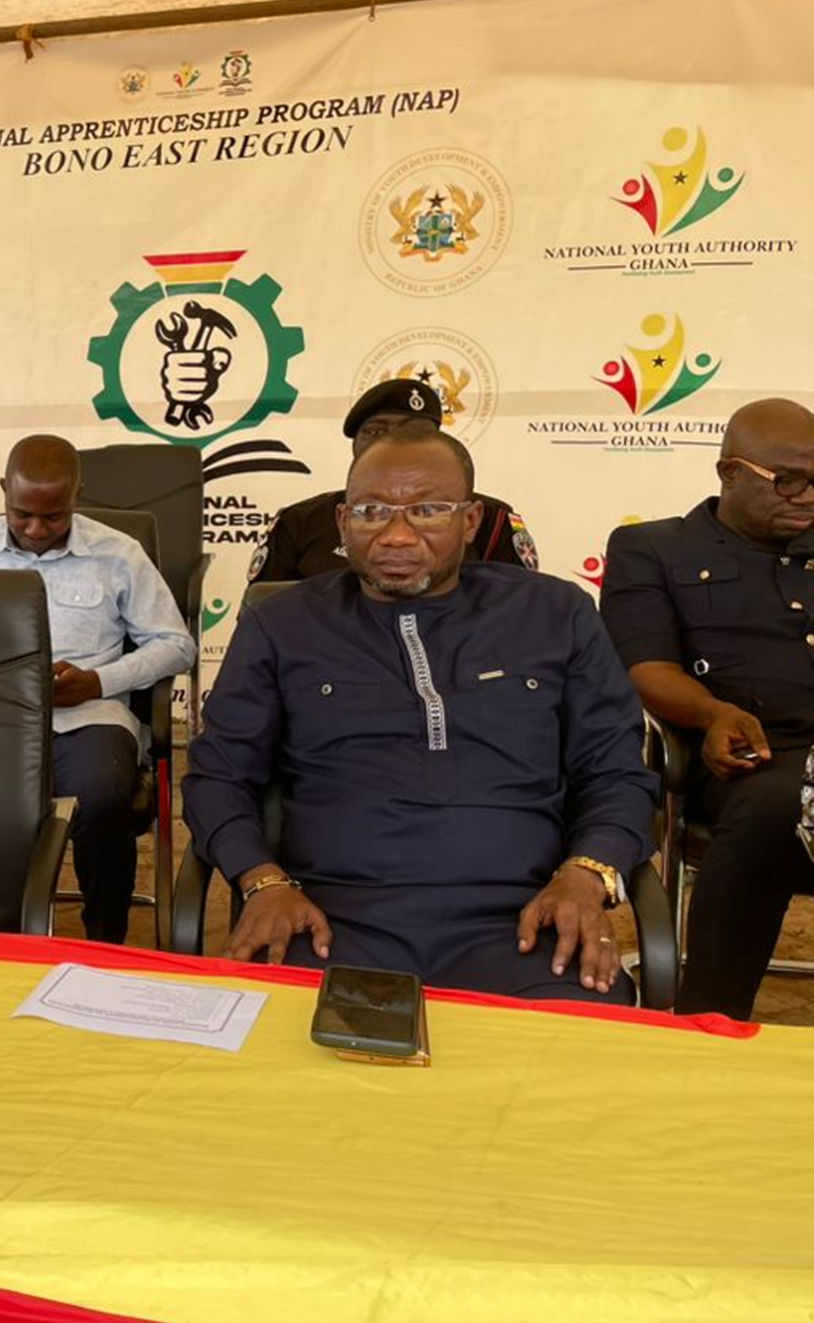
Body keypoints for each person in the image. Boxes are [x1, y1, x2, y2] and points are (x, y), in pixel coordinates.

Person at [185, 421, 654, 999]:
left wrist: (587, 873)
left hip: (525, 922)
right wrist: (263, 882)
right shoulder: (282, 624)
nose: (397, 536)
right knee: (275, 1041)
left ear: (471, 520)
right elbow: (219, 775)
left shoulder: (555, 614)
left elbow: (616, 771)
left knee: (577, 1041)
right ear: (343, 523)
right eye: (371, 512)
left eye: (429, 511)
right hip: (329, 923)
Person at [599, 398, 814, 1017]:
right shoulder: (652, 547)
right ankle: (709, 1018)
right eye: (789, 480)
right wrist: (711, 714)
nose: (806, 496)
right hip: (747, 756)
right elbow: (644, 666)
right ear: (729, 473)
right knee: (777, 804)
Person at [0, 437, 194, 943]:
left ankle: (105, 940)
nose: (36, 530)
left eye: (53, 517)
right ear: (4, 489)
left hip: (89, 717)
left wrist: (99, 680)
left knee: (101, 798)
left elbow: (176, 645)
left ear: (78, 494)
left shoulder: (119, 554)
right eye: (22, 514)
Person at [249, 379, 537, 583]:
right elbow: (266, 617)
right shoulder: (300, 522)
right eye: (376, 431)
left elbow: (521, 613)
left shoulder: (492, 521)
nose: (392, 443)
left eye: (412, 431)